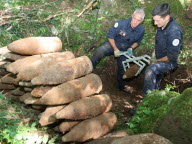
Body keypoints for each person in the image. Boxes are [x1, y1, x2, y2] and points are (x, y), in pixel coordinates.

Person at [91, 8, 145, 94]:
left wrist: (131, 48)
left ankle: (121, 86)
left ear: (142, 21)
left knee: (123, 69)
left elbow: (137, 42)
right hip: (113, 44)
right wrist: (115, 49)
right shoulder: (121, 24)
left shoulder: (141, 30)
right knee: (100, 51)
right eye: (134, 18)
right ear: (132, 16)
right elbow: (110, 36)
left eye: (138, 20)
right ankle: (90, 68)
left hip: (125, 50)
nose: (135, 22)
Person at [143, 3, 183, 96]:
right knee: (155, 80)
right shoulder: (162, 25)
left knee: (151, 70)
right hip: (159, 57)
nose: (155, 23)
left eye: (157, 21)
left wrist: (156, 60)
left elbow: (171, 57)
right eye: (154, 20)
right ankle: (155, 95)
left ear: (167, 17)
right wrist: (155, 55)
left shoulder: (174, 32)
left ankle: (146, 101)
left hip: (169, 62)